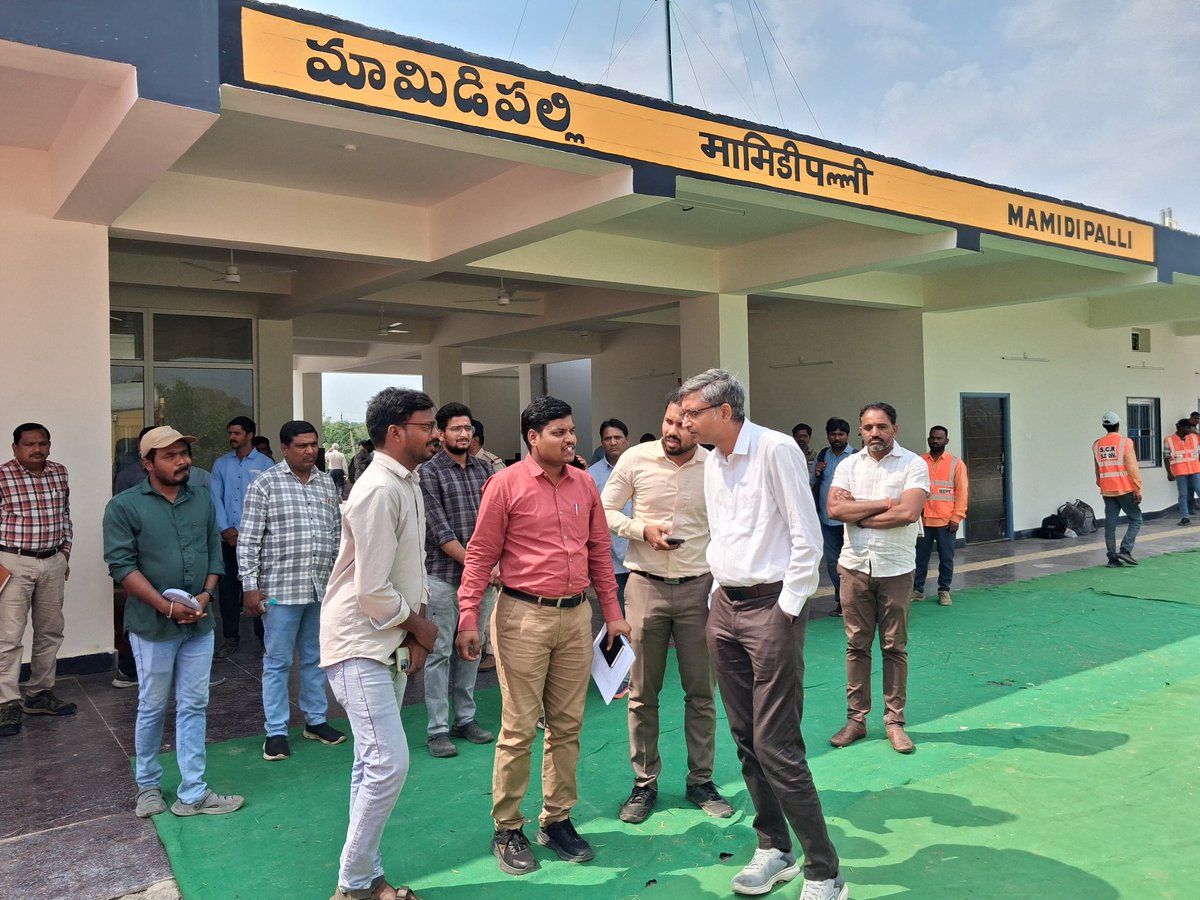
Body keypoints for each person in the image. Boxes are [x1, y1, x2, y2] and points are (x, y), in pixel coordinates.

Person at [677, 370, 847, 900]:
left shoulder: (775, 450)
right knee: (746, 739)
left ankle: (825, 872)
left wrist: (787, 609)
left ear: (724, 412)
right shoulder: (713, 460)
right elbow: (723, 533)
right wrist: (716, 596)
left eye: (693, 413)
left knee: (777, 744)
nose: (684, 422)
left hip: (772, 608)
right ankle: (775, 848)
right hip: (724, 607)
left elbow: (806, 535)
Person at [454, 396, 632, 877]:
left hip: (576, 618)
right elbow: (480, 554)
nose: (570, 439)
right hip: (521, 617)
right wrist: (468, 617)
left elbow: (599, 551)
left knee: (568, 725)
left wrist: (613, 614)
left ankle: (557, 820)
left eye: (571, 430)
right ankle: (507, 828)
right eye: (559, 432)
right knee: (518, 728)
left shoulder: (584, 484)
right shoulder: (505, 484)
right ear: (533, 437)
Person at [320, 388, 440, 900]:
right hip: (359, 642)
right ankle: (353, 885)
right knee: (388, 764)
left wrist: (417, 625)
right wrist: (420, 628)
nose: (436, 434)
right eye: (426, 426)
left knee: (371, 765)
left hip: (388, 639)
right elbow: (370, 590)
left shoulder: (406, 481)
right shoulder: (377, 488)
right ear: (395, 432)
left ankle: (366, 880)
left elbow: (412, 567)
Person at [601, 394, 730, 825]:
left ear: (699, 428)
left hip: (699, 589)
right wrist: (641, 530)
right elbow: (604, 510)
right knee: (642, 693)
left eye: (683, 424)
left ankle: (701, 781)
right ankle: (644, 784)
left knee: (701, 692)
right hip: (644, 587)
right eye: (668, 421)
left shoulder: (715, 465)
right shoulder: (635, 459)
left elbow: (730, 522)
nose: (673, 431)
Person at [102, 426, 243, 818]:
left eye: (184, 453)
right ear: (147, 463)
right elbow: (121, 566)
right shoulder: (124, 506)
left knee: (195, 703)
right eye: (170, 455)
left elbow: (214, 552)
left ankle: (193, 792)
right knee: (152, 704)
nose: (182, 461)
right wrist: (165, 607)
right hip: (153, 626)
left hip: (199, 621)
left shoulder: (201, 499)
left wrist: (207, 595)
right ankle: (148, 786)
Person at [238, 420, 345, 762]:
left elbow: (337, 536)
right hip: (280, 591)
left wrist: (339, 583)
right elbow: (249, 539)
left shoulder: (326, 483)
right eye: (302, 445)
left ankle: (316, 721)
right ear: (285, 449)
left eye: (314, 444)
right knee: (278, 661)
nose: (310, 451)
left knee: (315, 658)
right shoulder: (265, 484)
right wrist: (250, 586)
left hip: (319, 588)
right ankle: (276, 731)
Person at [827, 402, 928, 756]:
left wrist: (861, 513)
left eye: (882, 426)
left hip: (896, 568)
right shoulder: (847, 466)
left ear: (895, 429)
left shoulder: (913, 464)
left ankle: (894, 721)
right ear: (861, 430)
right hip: (854, 566)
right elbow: (835, 509)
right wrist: (886, 504)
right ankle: (856, 720)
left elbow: (909, 512)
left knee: (893, 646)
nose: (875, 433)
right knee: (856, 645)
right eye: (868, 427)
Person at [419, 403, 497, 758]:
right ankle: (437, 729)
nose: (463, 434)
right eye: (455, 428)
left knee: (472, 649)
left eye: (467, 428)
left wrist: (491, 566)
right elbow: (440, 532)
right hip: (443, 578)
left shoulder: (485, 470)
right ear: (440, 433)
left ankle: (465, 719)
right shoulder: (428, 473)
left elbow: (497, 522)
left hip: (480, 581)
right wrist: (482, 566)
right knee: (438, 654)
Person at [0, 423, 75, 737]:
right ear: (15, 447)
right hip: (13, 561)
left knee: (50, 631)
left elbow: (65, 515)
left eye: (42, 443)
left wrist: (65, 553)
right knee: (8, 637)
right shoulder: (3, 476)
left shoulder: (59, 472)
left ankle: (39, 694)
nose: (37, 449)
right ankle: (6, 703)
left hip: (52, 560)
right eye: (29, 444)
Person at [211, 416, 273, 657]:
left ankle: (263, 637)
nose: (232, 437)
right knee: (228, 590)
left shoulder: (266, 464)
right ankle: (230, 638)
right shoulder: (221, 464)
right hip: (227, 539)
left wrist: (246, 532)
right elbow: (215, 499)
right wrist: (226, 529)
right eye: (230, 433)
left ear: (249, 435)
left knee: (259, 587)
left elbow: (269, 501)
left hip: (256, 540)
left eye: (236, 433)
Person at [913, 426, 969, 606]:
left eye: (939, 438)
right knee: (920, 558)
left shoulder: (956, 464)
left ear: (946, 440)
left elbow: (962, 493)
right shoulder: (919, 461)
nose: (935, 441)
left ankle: (944, 590)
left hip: (946, 521)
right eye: (932, 438)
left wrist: (957, 517)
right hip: (923, 521)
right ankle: (917, 590)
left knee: (946, 558)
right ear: (928, 439)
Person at [813, 418, 856, 617]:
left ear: (847, 435)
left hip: (849, 521)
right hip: (827, 520)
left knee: (852, 563)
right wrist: (817, 472)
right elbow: (811, 482)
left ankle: (855, 601)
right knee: (832, 563)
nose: (837, 438)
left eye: (841, 434)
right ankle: (841, 601)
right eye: (833, 434)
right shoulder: (822, 455)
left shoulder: (856, 457)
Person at [588, 418, 632, 610]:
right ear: (602, 442)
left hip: (642, 558)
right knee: (616, 614)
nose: (613, 442)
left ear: (627, 440)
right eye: (608, 439)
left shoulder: (642, 469)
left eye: (617, 437)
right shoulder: (592, 475)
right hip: (611, 561)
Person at [1094, 412, 1142, 567]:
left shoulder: (1096, 445)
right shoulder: (1125, 443)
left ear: (1104, 426)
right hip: (1125, 489)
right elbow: (1132, 468)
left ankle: (1112, 559)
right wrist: (1137, 489)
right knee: (1136, 518)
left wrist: (1102, 483)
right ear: (1118, 425)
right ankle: (1125, 550)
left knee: (1110, 526)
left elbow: (1098, 469)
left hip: (1107, 490)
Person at [1164, 418, 1200, 525]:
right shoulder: (1169, 440)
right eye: (1188, 428)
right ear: (1182, 428)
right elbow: (1166, 457)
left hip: (1195, 469)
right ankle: (1185, 517)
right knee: (1183, 494)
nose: (1190, 430)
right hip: (1180, 471)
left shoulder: (1194, 437)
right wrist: (1169, 472)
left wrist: (1196, 431)